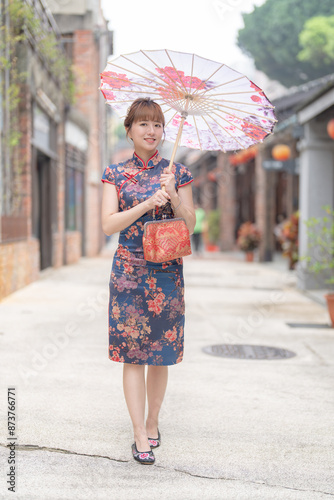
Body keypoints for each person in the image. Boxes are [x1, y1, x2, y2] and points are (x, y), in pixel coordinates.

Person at [101, 98, 195, 465]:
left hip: (167, 274)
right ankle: (138, 432)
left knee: (161, 355)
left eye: (157, 125)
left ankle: (153, 421)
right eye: (143, 124)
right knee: (132, 356)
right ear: (130, 130)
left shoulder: (179, 172)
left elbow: (191, 225)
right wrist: (144, 204)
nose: (151, 131)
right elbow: (109, 224)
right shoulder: (115, 173)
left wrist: (172, 195)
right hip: (128, 273)